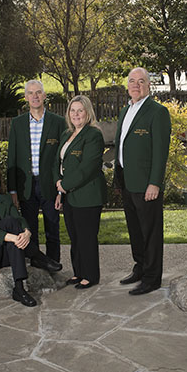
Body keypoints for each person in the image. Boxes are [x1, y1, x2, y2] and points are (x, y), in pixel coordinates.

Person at [0, 162, 58, 307]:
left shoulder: (5, 198)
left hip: (5, 253)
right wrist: (14, 237)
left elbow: (19, 218)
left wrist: (26, 232)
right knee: (9, 223)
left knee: (13, 222)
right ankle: (38, 257)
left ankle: (19, 288)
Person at [114, 67, 171, 295]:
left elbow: (160, 152)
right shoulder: (124, 111)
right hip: (127, 182)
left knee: (151, 233)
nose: (136, 85)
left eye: (141, 81)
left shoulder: (157, 112)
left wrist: (154, 183)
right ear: (127, 85)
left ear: (149, 85)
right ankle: (140, 267)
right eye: (132, 81)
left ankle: (152, 278)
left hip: (147, 185)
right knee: (135, 231)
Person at [7, 80, 66, 270]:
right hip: (26, 185)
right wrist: (13, 190)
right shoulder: (17, 124)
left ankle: (53, 263)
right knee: (29, 228)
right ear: (26, 97)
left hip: (49, 184)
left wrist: (60, 188)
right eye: (31, 93)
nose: (35, 96)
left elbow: (62, 158)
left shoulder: (57, 122)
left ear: (44, 95)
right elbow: (12, 159)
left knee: (52, 227)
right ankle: (35, 264)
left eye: (38, 92)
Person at [54, 95, 107, 290]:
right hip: (68, 195)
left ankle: (90, 275)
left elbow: (87, 168)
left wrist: (64, 185)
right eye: (72, 110)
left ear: (88, 113)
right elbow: (58, 164)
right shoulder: (67, 134)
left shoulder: (93, 135)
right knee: (75, 236)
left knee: (86, 237)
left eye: (80, 111)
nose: (76, 114)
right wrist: (59, 188)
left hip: (88, 195)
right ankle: (78, 272)